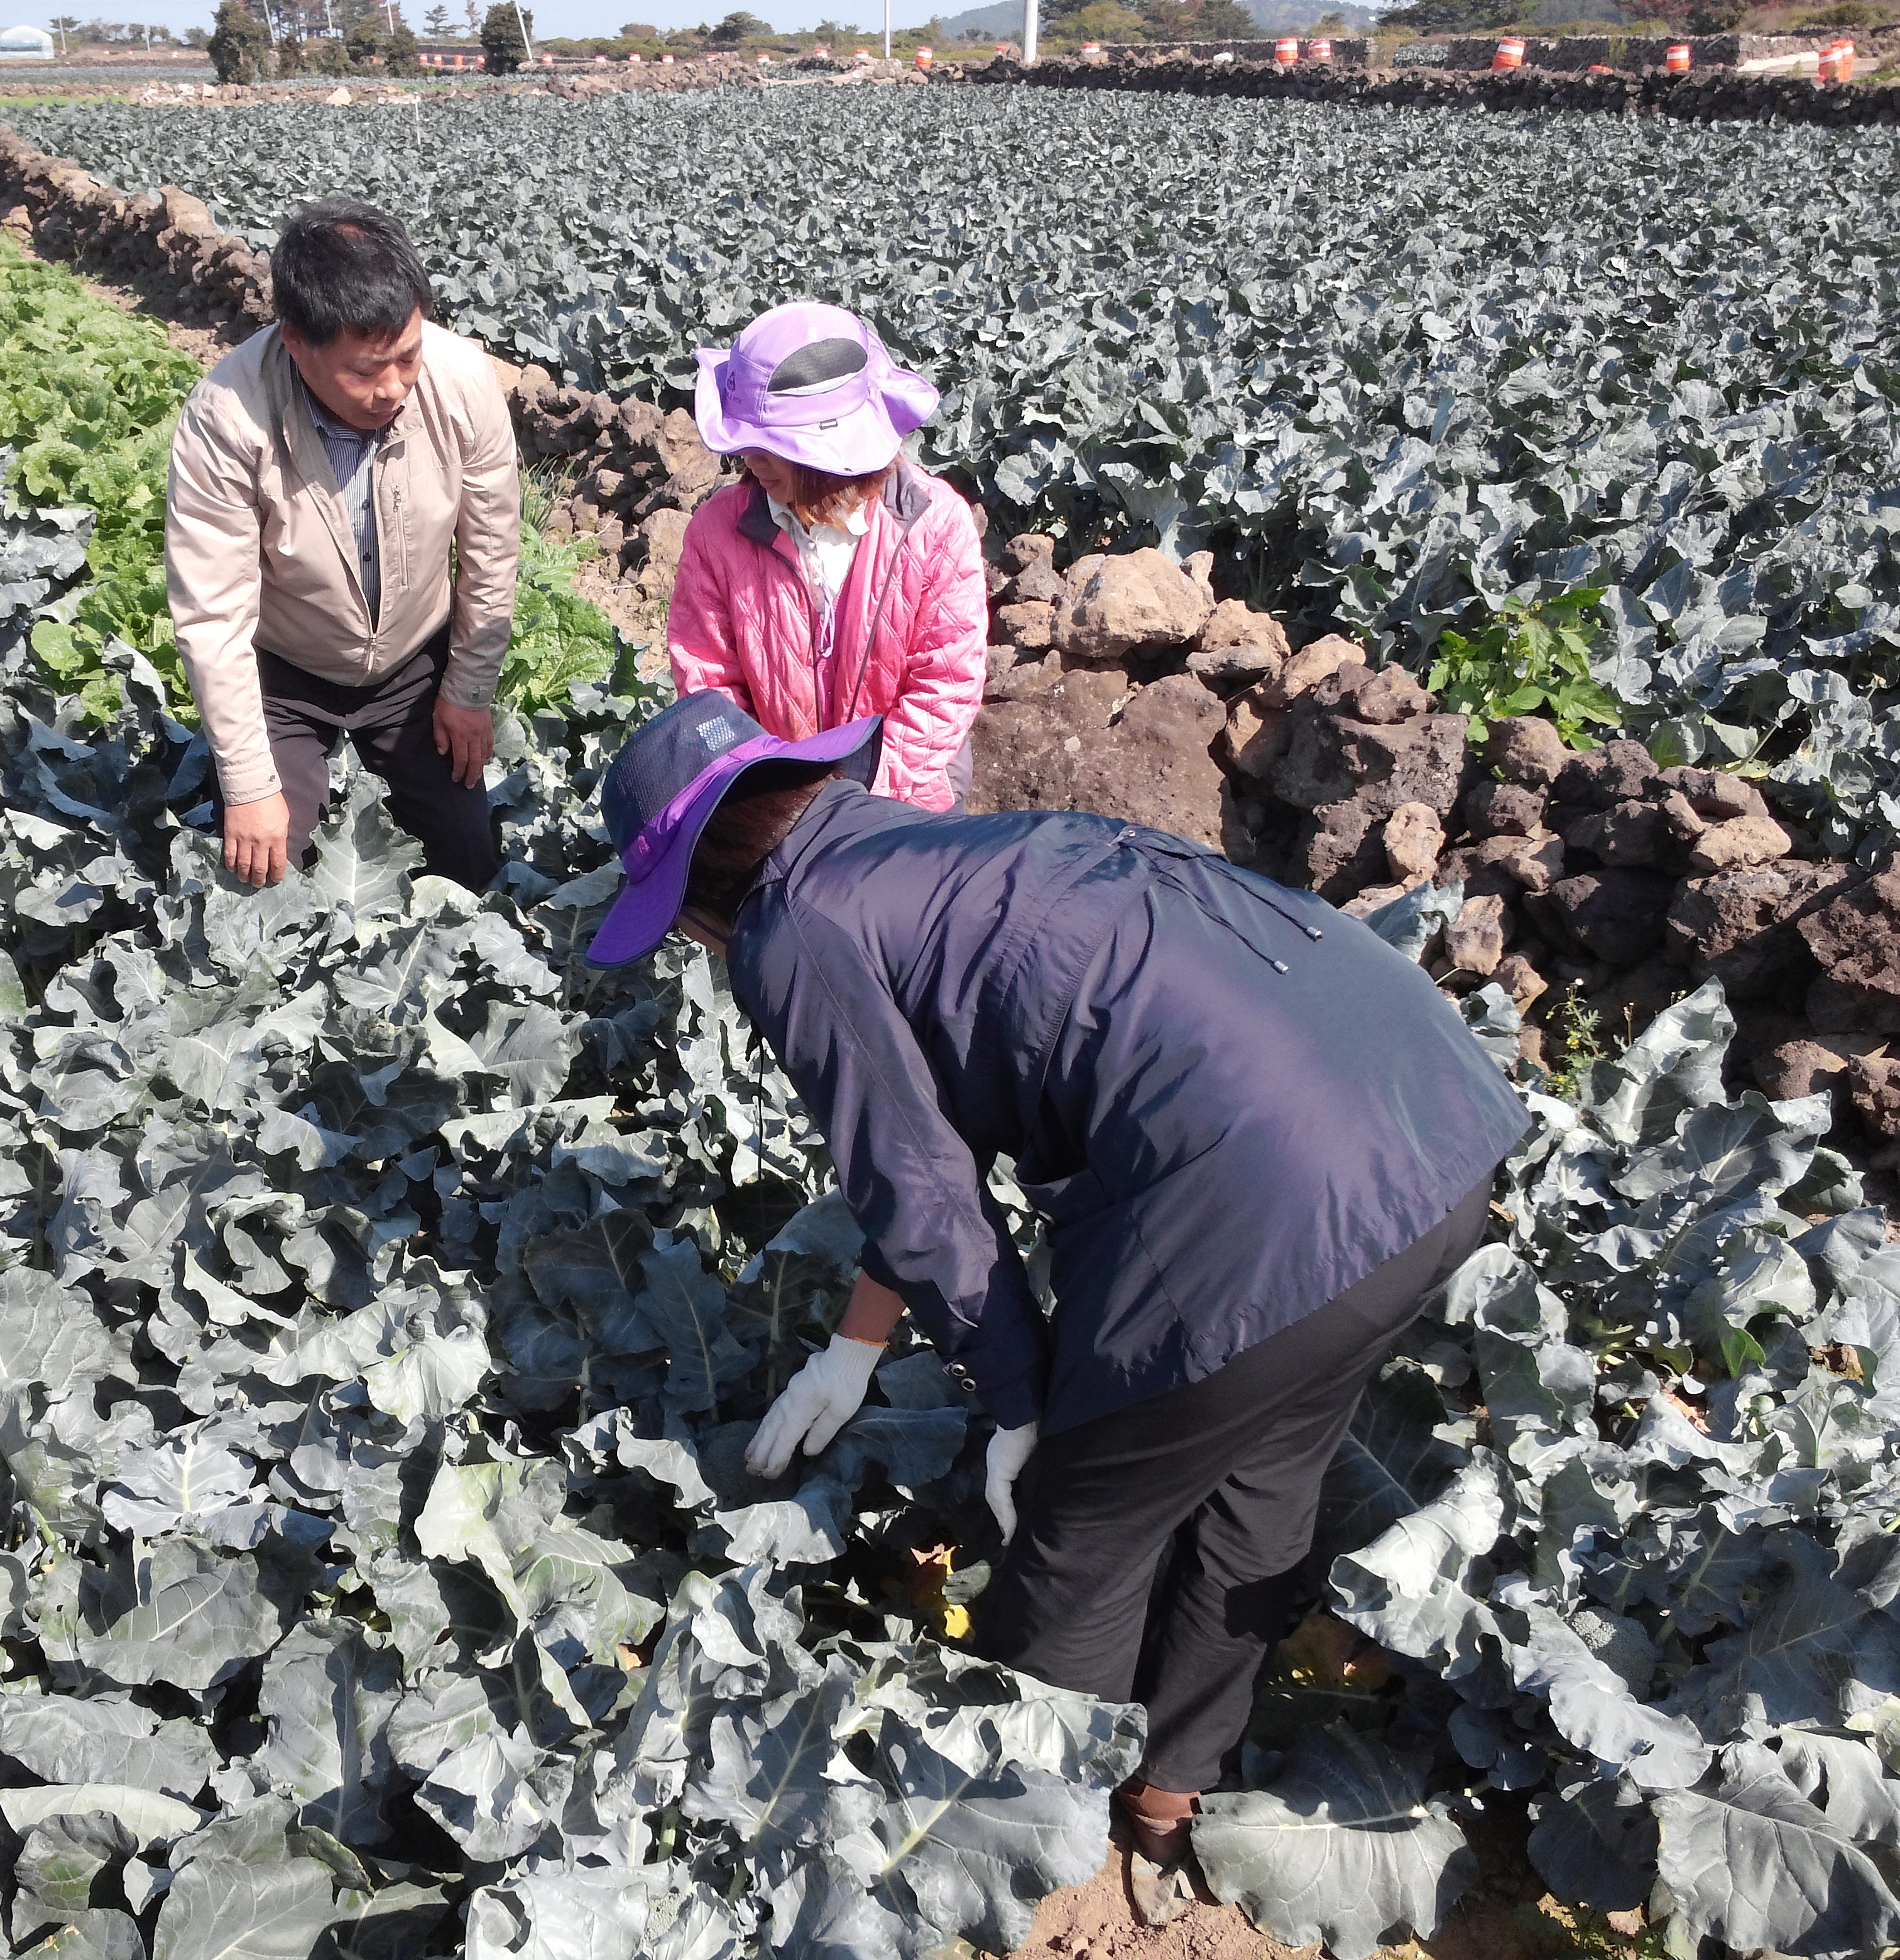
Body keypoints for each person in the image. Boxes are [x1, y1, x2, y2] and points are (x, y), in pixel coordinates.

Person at [584, 692, 1529, 1922]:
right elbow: (927, 1149)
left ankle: (1014, 1855)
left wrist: (1020, 1406)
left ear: (700, 895)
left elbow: (920, 1191)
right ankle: (1167, 1792)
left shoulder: (789, 928)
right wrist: (854, 1348)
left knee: (1079, 1544)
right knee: (1260, 1486)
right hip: (1432, 1126)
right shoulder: (940, 852)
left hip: (1259, 1200)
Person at [165, 195, 518, 891]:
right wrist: (246, 783)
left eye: (407, 358)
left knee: (467, 863)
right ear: (296, 342)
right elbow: (214, 617)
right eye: (364, 371)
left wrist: (468, 689)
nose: (392, 388)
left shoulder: (462, 380)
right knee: (264, 872)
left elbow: (490, 549)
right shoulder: (227, 417)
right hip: (285, 670)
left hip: (413, 659)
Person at [665, 303, 988, 812]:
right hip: (778, 798)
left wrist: (862, 810)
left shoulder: (935, 524)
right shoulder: (715, 534)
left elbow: (944, 685)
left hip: (905, 791)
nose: (751, 461)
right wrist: (777, 800)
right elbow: (709, 684)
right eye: (747, 443)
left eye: (773, 447)